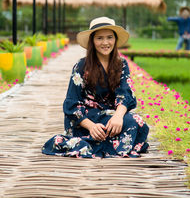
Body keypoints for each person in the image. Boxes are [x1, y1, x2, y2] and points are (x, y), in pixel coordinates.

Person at [42, 17, 149, 158]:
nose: (105, 43)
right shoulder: (81, 66)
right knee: (131, 125)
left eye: (109, 37)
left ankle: (100, 143)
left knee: (139, 123)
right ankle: (99, 142)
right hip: (85, 120)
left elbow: (125, 94)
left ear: (115, 40)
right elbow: (71, 104)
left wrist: (118, 116)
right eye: (99, 38)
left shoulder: (121, 64)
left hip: (110, 116)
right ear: (92, 41)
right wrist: (91, 126)